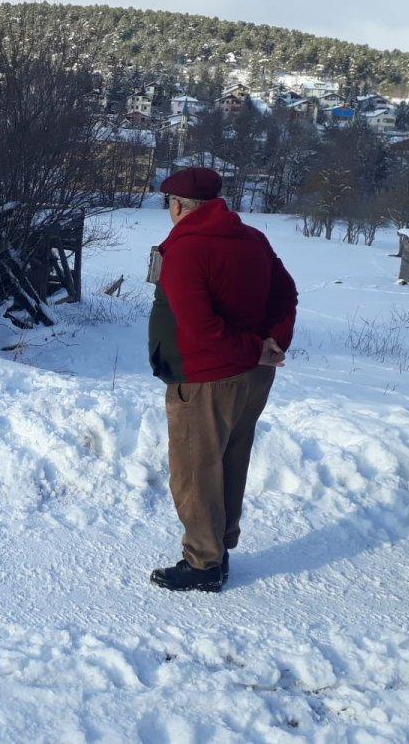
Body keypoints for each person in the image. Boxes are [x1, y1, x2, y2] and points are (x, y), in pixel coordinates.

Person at [147, 167, 298, 593]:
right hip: (252, 377)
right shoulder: (252, 238)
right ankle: (218, 546)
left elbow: (199, 327)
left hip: (206, 378)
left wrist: (258, 348)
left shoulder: (186, 250)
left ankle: (204, 563)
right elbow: (286, 293)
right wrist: (272, 342)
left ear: (177, 206)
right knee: (229, 461)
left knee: (195, 470)